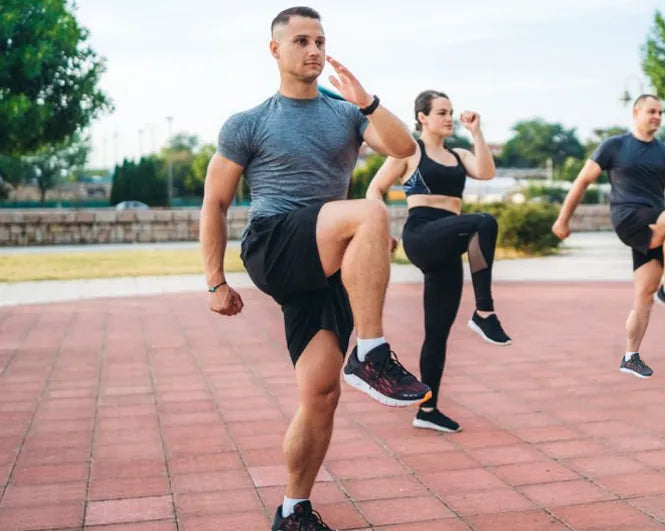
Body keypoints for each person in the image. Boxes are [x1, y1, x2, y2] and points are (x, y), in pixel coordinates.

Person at [199, 7, 431, 530]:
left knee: (321, 394)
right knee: (370, 212)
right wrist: (215, 281)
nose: (314, 50)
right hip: (275, 244)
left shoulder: (345, 113)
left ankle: (293, 509)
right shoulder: (248, 123)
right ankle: (371, 353)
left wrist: (367, 102)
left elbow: (404, 148)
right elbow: (215, 203)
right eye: (301, 40)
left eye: (320, 41)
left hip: (324, 264)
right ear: (275, 49)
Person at [367, 90, 509, 433]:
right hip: (422, 235)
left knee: (437, 333)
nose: (449, 118)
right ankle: (484, 311)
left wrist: (476, 132)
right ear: (422, 117)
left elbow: (486, 172)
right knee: (484, 222)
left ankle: (427, 410)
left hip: (447, 245)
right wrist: (379, 230)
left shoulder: (459, 155)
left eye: (451, 112)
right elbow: (374, 190)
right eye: (442, 112)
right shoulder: (408, 152)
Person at [552, 94, 665, 378]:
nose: (656, 116)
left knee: (644, 297)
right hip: (629, 218)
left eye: (660, 113)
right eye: (651, 111)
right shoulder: (614, 146)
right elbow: (581, 181)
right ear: (636, 112)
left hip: (655, 226)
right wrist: (563, 219)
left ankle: (631, 356)